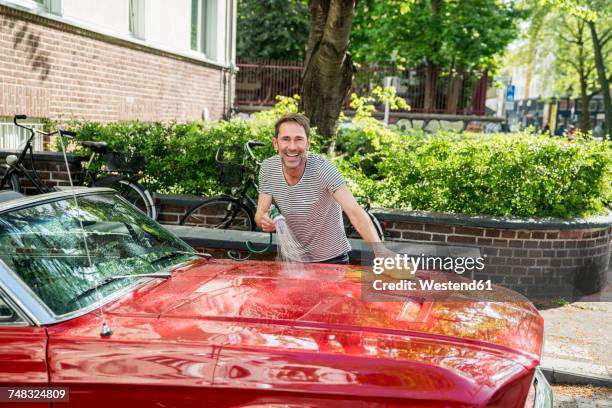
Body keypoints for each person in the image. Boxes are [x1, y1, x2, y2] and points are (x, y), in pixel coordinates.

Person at [255, 113, 386, 265]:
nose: (292, 147)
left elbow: (354, 211)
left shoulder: (323, 169)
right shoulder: (268, 168)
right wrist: (266, 222)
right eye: (285, 139)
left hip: (332, 260)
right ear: (275, 143)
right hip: (293, 260)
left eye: (299, 139)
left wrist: (381, 252)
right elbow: (259, 216)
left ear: (308, 143)